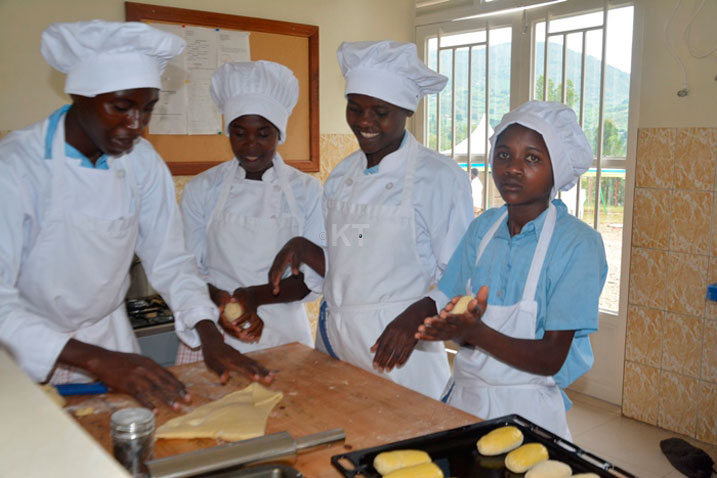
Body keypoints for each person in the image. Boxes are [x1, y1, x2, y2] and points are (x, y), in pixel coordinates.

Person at [0, 20, 271, 412]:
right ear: (79, 94)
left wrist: (208, 332)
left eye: (148, 110)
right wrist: (96, 360)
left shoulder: (142, 163)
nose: (137, 126)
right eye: (121, 107)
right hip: (23, 350)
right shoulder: (16, 167)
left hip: (108, 340)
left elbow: (170, 261)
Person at [269, 41, 473, 399]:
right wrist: (303, 247)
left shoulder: (439, 177)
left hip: (401, 352)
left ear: (406, 111)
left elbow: (462, 273)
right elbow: (345, 258)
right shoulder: (342, 175)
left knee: (410, 445)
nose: (365, 122)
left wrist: (420, 315)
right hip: (338, 344)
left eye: (380, 112)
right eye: (355, 108)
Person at [415, 100, 607, 439]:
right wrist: (454, 328)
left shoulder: (578, 244)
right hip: (466, 400)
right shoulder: (483, 228)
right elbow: (457, 311)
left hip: (530, 413)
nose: (513, 169)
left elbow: (550, 358)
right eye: (503, 155)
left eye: (532, 158)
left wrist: (475, 333)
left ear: (557, 169)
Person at [176, 60, 324, 363]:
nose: (251, 145)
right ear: (228, 132)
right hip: (216, 330)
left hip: (284, 335)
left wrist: (254, 297)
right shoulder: (202, 189)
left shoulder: (307, 191)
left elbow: (311, 279)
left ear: (279, 134)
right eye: (240, 133)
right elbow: (184, 270)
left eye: (263, 133)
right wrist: (219, 303)